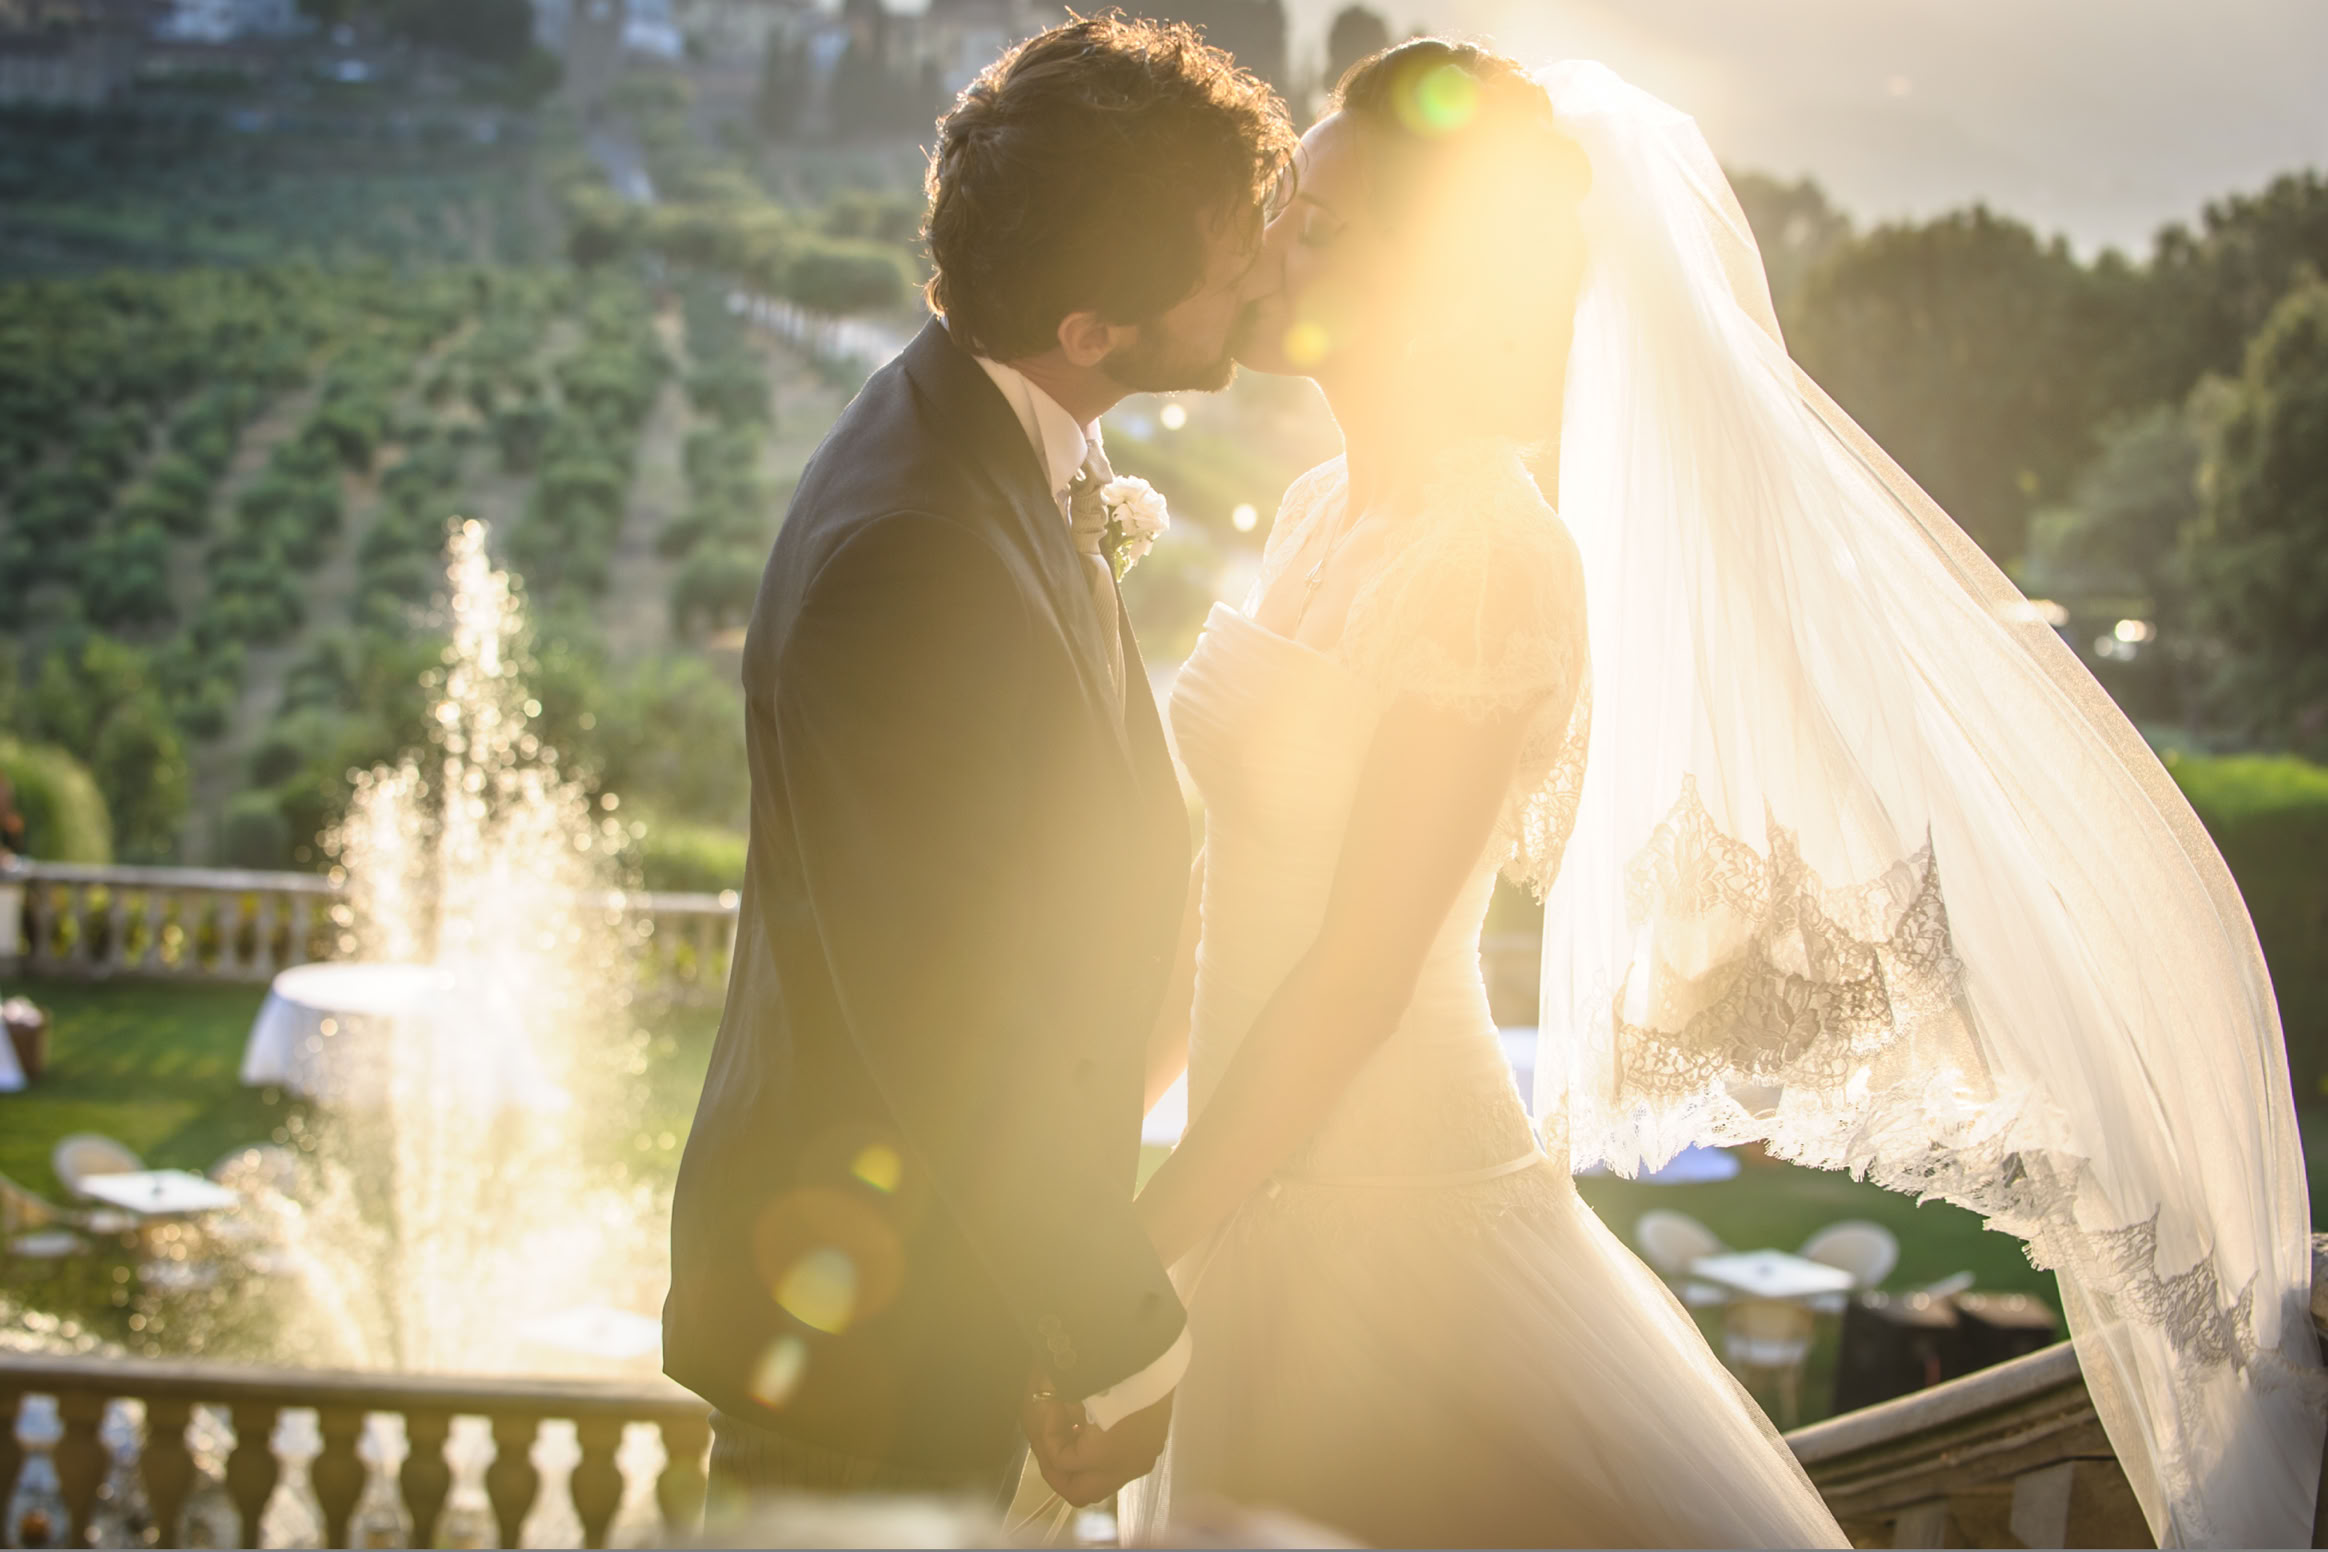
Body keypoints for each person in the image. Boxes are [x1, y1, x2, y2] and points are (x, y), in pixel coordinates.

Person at [1119, 40, 2323, 1550]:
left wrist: (1145, 1244)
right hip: (1249, 1193)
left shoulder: (1490, 562)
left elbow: (1358, 976)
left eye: (1323, 223)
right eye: (1289, 201)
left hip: (1386, 1207)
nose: (1270, 239)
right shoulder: (1310, 513)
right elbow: (1224, 891)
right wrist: (1115, 1133)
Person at [660, 15, 1294, 1516]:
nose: (1262, 273)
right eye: (1228, 257)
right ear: (1093, 329)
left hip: (948, 1314)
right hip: (873, 1351)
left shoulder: (990, 444)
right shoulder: (920, 552)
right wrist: (1117, 1333)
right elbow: (949, 1023)